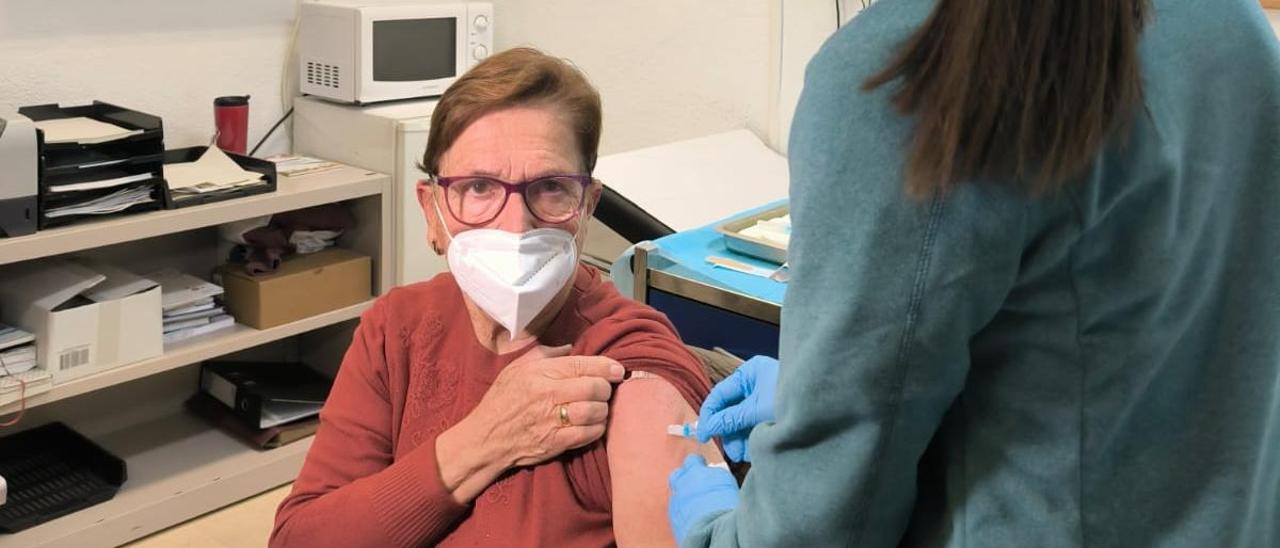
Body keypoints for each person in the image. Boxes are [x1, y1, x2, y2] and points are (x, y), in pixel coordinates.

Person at [668, 0, 1280, 546]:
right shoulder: (1234, 26)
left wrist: (719, 523)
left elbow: (826, 527)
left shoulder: (913, 73)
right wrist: (821, 395)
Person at [271, 47, 722, 548]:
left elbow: (660, 422)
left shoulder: (624, 355)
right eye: (479, 186)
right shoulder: (397, 327)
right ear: (432, 211)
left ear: (587, 205)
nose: (516, 225)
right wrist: (486, 439)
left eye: (550, 187)